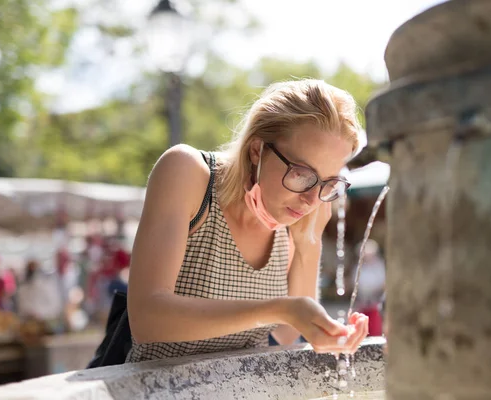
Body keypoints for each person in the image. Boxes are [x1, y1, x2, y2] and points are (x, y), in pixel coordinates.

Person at [126, 79, 369, 363]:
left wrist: (307, 245)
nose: (312, 200)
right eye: (302, 174)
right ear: (257, 150)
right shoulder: (188, 173)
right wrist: (281, 308)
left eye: (329, 182)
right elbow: (147, 321)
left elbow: (288, 333)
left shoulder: (295, 215)